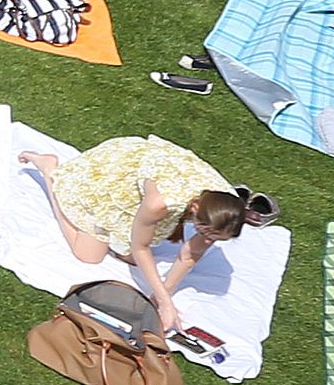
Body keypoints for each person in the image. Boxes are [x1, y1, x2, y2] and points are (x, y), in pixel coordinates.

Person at [22, 138, 258, 332]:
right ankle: (50, 172)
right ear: (194, 210)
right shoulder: (160, 203)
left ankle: (118, 231)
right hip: (118, 170)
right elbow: (141, 247)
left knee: (135, 261)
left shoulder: (226, 207)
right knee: (89, 255)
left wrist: (162, 299)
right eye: (206, 233)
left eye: (216, 239)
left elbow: (190, 254)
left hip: (155, 178)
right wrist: (165, 301)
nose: (208, 241)